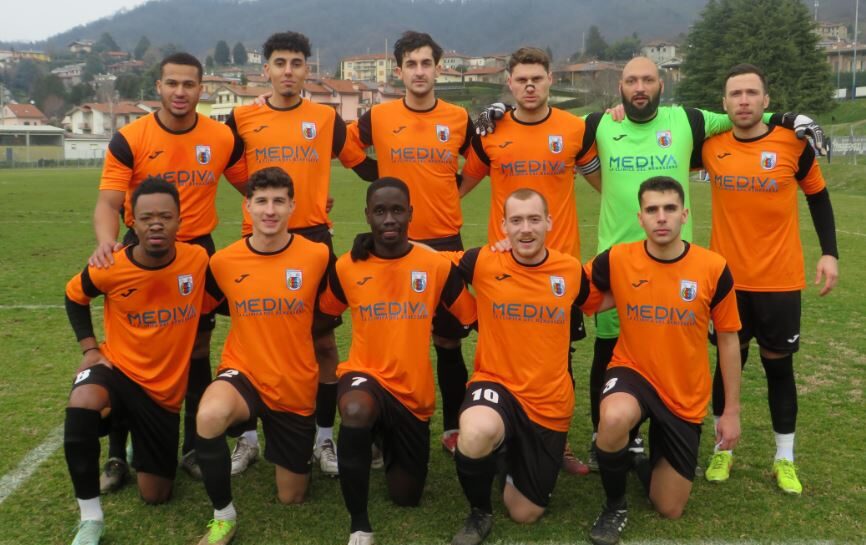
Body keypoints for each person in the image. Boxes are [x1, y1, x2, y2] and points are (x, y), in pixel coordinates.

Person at [474, 56, 825, 469]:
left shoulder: (689, 120)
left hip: (675, 263)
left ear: (661, 84)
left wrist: (786, 118)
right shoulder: (598, 125)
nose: (639, 87)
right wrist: (500, 111)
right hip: (616, 261)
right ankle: (605, 437)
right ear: (620, 88)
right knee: (608, 349)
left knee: (672, 350)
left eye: (647, 80)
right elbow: (540, 120)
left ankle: (670, 431)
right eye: (631, 81)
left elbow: (742, 113)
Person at [90, 52, 248, 487]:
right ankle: (116, 455)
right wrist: (106, 243)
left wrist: (301, 202)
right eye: (172, 83)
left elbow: (252, 185)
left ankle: (193, 448)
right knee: (129, 355)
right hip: (140, 252)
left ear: (201, 89)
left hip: (196, 255)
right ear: (158, 87)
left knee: (197, 350)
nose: (180, 92)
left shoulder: (222, 137)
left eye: (189, 84)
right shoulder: (130, 138)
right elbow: (108, 202)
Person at [226, 31, 376, 477]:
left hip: (313, 240)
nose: (288, 71)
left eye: (296, 63)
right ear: (266, 70)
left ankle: (323, 437)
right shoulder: (241, 117)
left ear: (307, 69)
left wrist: (427, 170)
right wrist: (267, 205)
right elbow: (223, 165)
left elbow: (363, 165)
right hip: (258, 242)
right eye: (280, 63)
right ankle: (248, 440)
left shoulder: (326, 119)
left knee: (322, 341)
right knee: (251, 343)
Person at [459, 46, 601, 475]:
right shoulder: (490, 131)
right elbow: (459, 186)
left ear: (551, 79)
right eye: (521, 79)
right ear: (509, 83)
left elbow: (605, 184)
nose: (530, 86)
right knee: (501, 352)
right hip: (503, 266)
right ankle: (499, 431)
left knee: (559, 358)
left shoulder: (575, 130)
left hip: (559, 268)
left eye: (537, 78)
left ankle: (557, 442)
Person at [700, 64, 839, 494]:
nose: (743, 100)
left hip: (780, 282)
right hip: (726, 283)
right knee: (728, 367)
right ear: (724, 103)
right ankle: (722, 449)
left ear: (766, 100)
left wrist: (830, 253)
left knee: (779, 368)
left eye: (751, 93)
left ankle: (785, 458)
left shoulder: (793, 144)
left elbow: (818, 196)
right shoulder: (710, 146)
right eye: (735, 94)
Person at [318, 177, 476, 545]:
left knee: (406, 496)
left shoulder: (434, 265)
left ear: (410, 214)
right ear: (367, 215)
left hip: (412, 394)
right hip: (366, 376)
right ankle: (360, 525)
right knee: (355, 410)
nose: (389, 219)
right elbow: (323, 315)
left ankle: (382, 438)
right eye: (379, 211)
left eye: (396, 210)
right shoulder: (348, 267)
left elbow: (471, 317)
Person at [585, 177, 742, 545]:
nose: (661, 217)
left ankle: (640, 460)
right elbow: (567, 284)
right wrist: (507, 251)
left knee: (668, 506)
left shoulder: (713, 267)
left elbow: (728, 339)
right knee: (613, 418)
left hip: (683, 391)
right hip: (633, 371)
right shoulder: (617, 259)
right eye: (652, 209)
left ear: (684, 215)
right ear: (640, 217)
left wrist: (731, 411)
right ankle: (614, 506)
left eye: (669, 208)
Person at [343, 30, 475, 456]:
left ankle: (453, 427)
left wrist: (454, 189)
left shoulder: (458, 118)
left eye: (426, 63)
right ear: (398, 71)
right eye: (411, 64)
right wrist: (375, 174)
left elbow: (480, 160)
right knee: (389, 343)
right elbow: (346, 145)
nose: (419, 72)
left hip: (445, 242)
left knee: (448, 341)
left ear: (438, 68)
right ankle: (381, 430)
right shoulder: (379, 116)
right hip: (393, 246)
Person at [448, 188, 604, 545]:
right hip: (496, 384)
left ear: (549, 222)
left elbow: (598, 299)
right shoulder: (483, 261)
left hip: (548, 402)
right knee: (475, 432)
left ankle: (506, 455)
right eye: (516, 221)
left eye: (534, 219)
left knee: (524, 513)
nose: (526, 229)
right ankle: (479, 512)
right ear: (503, 226)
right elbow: (427, 262)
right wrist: (377, 243)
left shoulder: (569, 270)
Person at [64, 177, 211, 545]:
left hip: (162, 396)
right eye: (147, 218)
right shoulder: (110, 265)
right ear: (132, 221)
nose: (156, 224)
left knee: (156, 495)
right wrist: (90, 350)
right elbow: (74, 297)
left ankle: (135, 441)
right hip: (117, 370)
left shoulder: (197, 260)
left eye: (165, 217)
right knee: (83, 401)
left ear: (180, 221)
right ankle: (91, 519)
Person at [193, 167, 332, 545]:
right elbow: (202, 306)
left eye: (278, 202)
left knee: (292, 496)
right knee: (209, 415)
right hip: (244, 371)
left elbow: (342, 294)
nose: (270, 210)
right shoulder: (223, 262)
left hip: (293, 382)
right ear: (248, 206)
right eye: (262, 201)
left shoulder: (318, 255)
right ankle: (223, 517)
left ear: (292, 206)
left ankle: (299, 447)